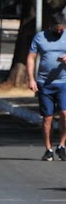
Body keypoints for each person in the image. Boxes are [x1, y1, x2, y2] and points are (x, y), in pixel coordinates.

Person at [27, 12, 66, 161]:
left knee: (64, 114)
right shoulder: (40, 37)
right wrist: (31, 79)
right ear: (51, 26)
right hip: (44, 84)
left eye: (62, 28)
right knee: (47, 118)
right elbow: (31, 57)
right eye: (58, 28)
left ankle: (62, 145)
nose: (60, 31)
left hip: (63, 82)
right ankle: (48, 149)